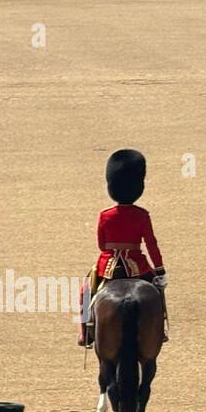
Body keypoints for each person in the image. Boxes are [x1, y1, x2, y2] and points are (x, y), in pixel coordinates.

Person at [81, 148, 167, 346]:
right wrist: (160, 270)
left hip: (108, 265)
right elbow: (151, 244)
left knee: (85, 289)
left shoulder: (105, 215)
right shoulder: (142, 215)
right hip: (138, 264)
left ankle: (84, 331)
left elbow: (101, 244)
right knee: (157, 289)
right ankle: (160, 329)